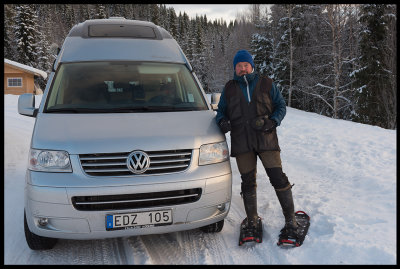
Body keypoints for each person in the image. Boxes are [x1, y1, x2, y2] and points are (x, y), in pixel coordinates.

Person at [216, 49, 298, 242]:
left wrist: (274, 121)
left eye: (246, 65)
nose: (243, 69)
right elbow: (221, 112)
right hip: (242, 142)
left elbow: (280, 106)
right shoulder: (229, 88)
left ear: (251, 66)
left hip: (266, 140)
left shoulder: (266, 83)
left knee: (278, 178)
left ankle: (291, 220)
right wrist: (222, 122)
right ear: (235, 68)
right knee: (247, 182)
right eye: (239, 66)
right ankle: (252, 221)